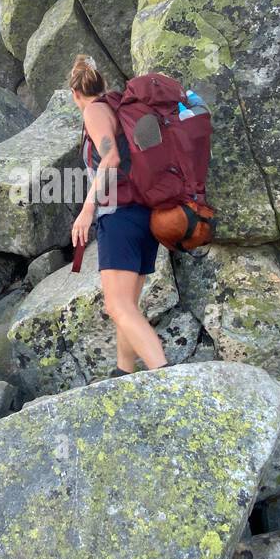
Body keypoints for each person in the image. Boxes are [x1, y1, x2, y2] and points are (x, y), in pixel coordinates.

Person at [68, 54, 168, 376]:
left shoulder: (95, 111)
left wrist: (86, 210)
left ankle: (168, 377)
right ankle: (124, 372)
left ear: (75, 94)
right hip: (143, 215)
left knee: (117, 306)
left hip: (120, 215)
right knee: (128, 305)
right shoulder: (117, 106)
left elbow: (109, 158)